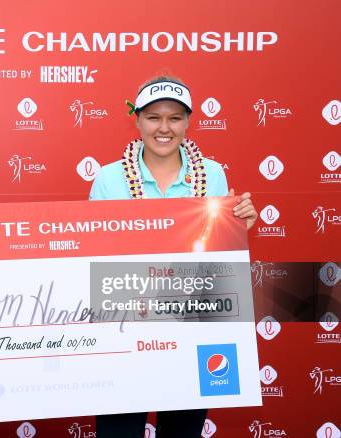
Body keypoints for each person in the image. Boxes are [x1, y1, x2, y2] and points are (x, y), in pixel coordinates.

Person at [90, 75, 257, 438]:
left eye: (175, 117)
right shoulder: (108, 178)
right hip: (125, 327)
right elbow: (92, 256)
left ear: (187, 122)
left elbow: (218, 252)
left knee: (182, 431)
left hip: (191, 328)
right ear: (136, 120)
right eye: (153, 117)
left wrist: (240, 222)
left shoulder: (211, 174)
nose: (164, 128)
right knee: (118, 432)